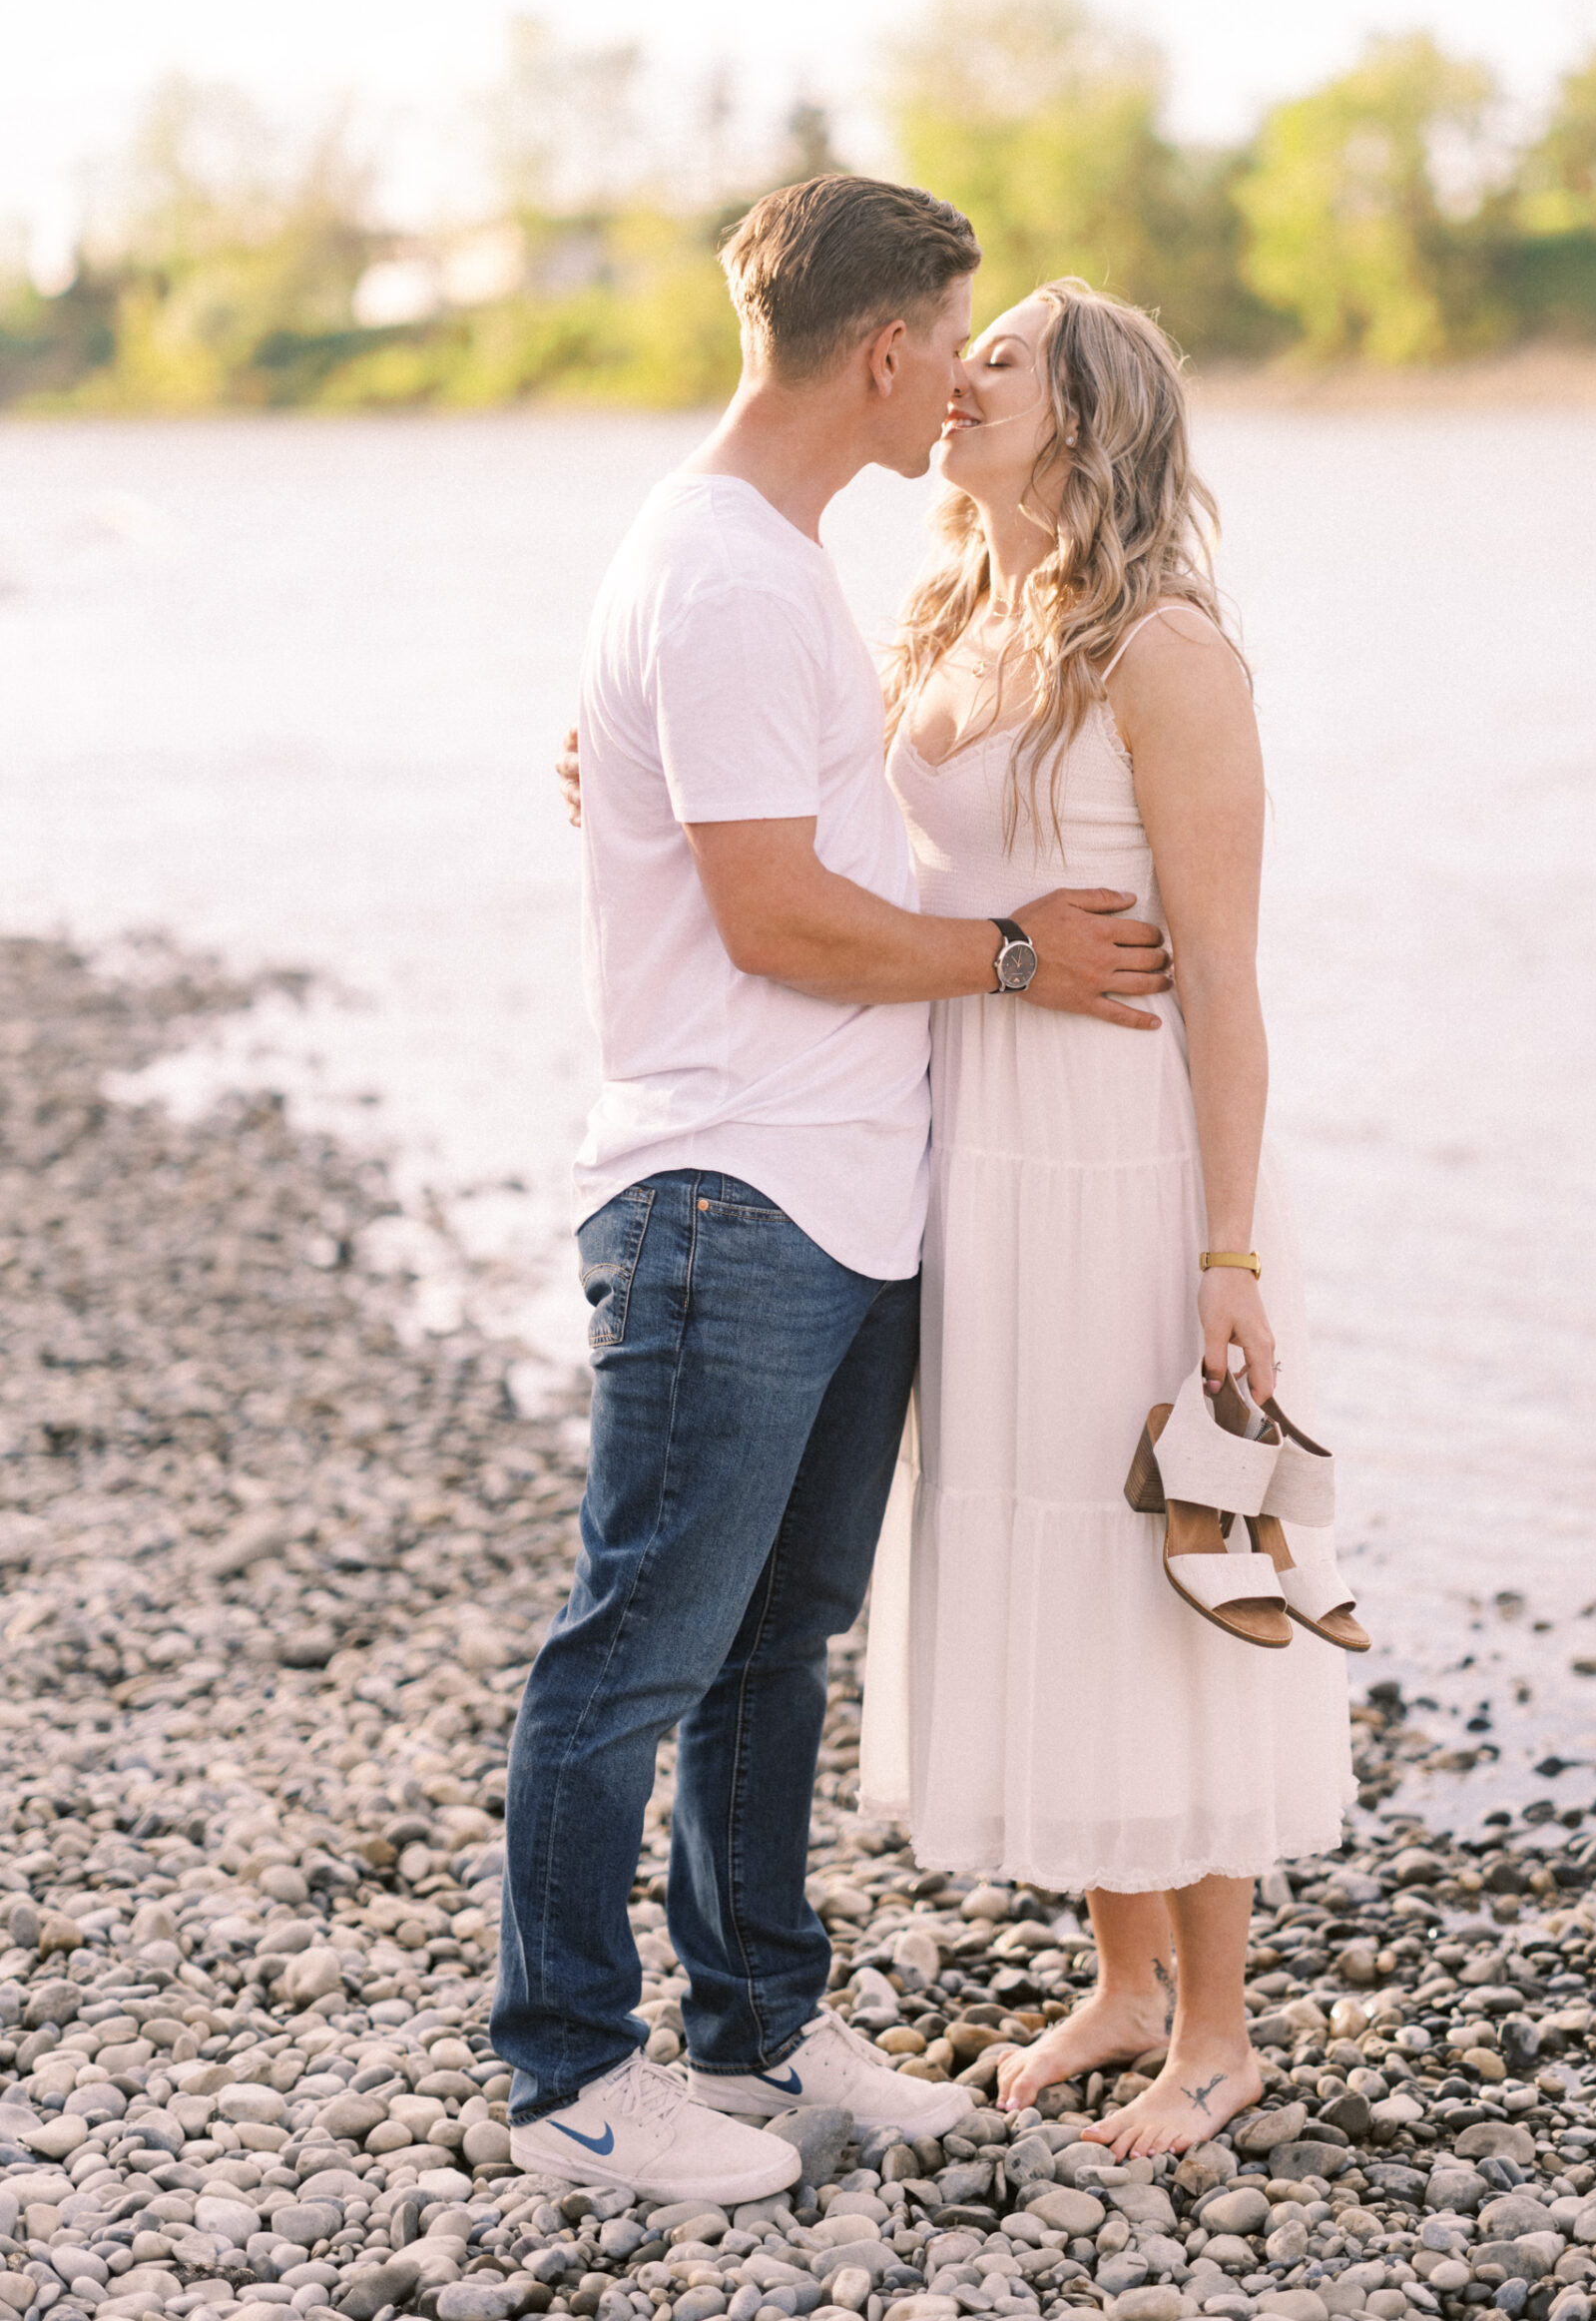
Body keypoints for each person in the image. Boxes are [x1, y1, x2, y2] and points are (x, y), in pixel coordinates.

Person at [497, 178, 1175, 2204]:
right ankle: (569, 2077)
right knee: (639, 1640)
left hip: (845, 1189)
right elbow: (775, 908)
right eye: (953, 342)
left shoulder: (770, 565)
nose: (960, 380)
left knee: (775, 1642)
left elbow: (786, 827)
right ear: (882, 352)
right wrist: (1024, 957)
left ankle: (763, 2018)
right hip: (732, 1190)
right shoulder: (717, 570)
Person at [857, 279, 1364, 2159]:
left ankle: (1216, 2030)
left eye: (1002, 363)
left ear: (1091, 415)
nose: (957, 378)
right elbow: (824, 841)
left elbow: (1225, 977)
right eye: (962, 356)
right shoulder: (948, 622)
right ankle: (1123, 1980)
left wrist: (1229, 1260)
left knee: (1169, 1557)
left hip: (1141, 1169)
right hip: (983, 1155)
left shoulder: (1165, 648)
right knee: (1052, 1550)